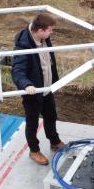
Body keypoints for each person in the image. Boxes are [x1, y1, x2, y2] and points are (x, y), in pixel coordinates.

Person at [11, 13, 66, 165]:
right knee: (32, 122)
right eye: (49, 30)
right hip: (33, 93)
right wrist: (26, 85)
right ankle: (34, 151)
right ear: (40, 30)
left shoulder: (44, 38)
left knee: (51, 116)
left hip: (46, 88)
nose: (51, 33)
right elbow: (17, 71)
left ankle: (54, 141)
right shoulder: (23, 47)